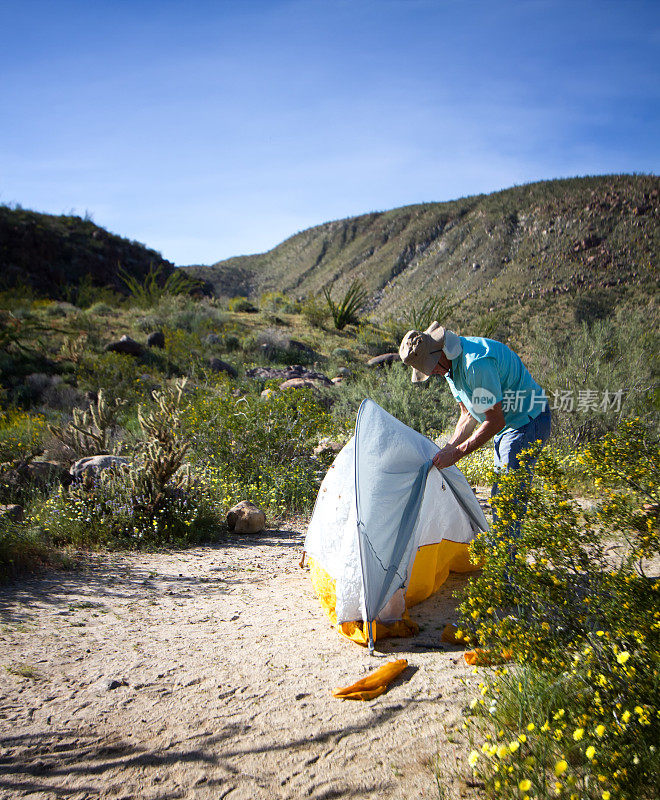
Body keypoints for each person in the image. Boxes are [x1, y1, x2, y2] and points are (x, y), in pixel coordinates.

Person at [398, 321, 551, 540]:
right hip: (507, 426)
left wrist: (457, 453)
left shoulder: (474, 365)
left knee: (507, 501)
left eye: (432, 368)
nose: (434, 374)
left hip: (526, 422)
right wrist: (448, 449)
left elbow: (495, 421)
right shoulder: (451, 368)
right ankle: (507, 560)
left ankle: (509, 570)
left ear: (439, 351)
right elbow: (467, 415)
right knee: (502, 498)